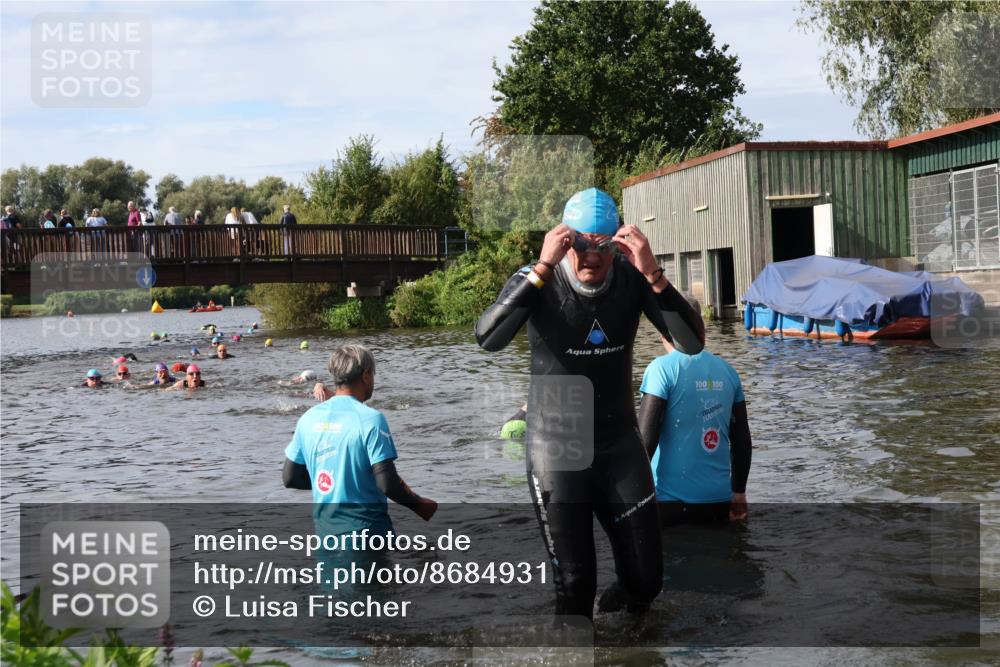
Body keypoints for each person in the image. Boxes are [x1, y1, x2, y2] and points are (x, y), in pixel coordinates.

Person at [475, 187, 704, 620]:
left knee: (646, 582)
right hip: (557, 447)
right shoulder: (537, 279)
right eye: (578, 247)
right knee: (575, 585)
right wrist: (542, 266)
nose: (589, 261)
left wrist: (653, 271)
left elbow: (691, 344)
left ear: (617, 247)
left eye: (601, 250)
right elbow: (488, 338)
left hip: (619, 443)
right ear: (564, 242)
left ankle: (630, 645)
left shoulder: (635, 279)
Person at [282, 345, 437, 540]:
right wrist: (418, 504)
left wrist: (336, 483)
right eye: (373, 374)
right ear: (365, 375)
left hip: (325, 535)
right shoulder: (371, 419)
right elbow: (387, 483)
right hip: (367, 533)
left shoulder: (307, 419)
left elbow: (290, 478)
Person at [639, 305, 753, 526]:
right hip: (719, 501)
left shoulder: (661, 369)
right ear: (701, 330)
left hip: (669, 503)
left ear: (664, 334)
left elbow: (646, 441)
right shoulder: (728, 371)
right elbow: (742, 441)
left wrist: (635, 497)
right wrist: (739, 493)